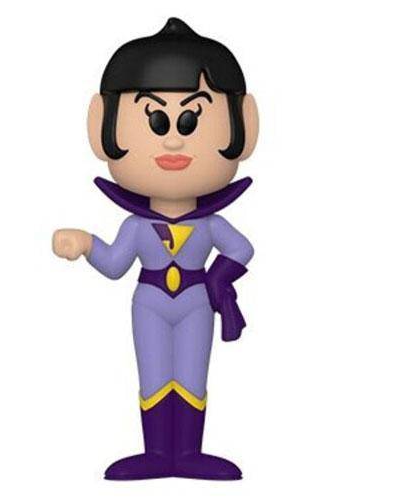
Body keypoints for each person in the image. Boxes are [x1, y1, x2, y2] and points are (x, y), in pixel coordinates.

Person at [53, 18, 259, 480]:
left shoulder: (209, 225)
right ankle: (157, 453)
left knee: (191, 374)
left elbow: (242, 249)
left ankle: (187, 453)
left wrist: (218, 279)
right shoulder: (136, 226)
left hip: (195, 302)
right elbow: (114, 264)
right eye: (156, 120)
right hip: (149, 302)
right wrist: (86, 244)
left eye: (191, 120)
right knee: (153, 374)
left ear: (246, 126)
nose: (173, 139)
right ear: (99, 127)